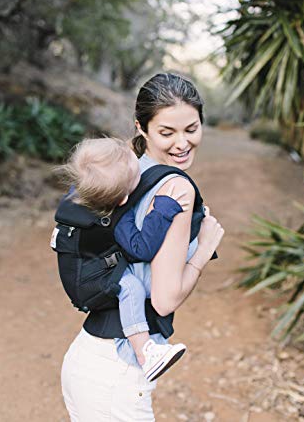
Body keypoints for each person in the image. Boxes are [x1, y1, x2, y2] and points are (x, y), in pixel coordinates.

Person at [61, 73, 225, 422]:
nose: (182, 143)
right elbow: (164, 299)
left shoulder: (124, 172)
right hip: (116, 374)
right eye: (167, 133)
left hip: (91, 359)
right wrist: (203, 248)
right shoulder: (176, 189)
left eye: (191, 129)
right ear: (142, 128)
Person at [57, 137, 191, 381]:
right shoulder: (115, 216)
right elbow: (141, 248)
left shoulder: (86, 189)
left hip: (82, 268)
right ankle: (145, 353)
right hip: (87, 283)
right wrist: (163, 207)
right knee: (132, 287)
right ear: (122, 200)